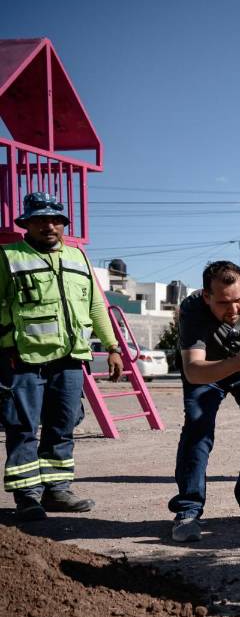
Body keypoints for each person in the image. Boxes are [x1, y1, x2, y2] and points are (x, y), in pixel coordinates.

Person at [0, 192, 122, 522]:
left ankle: (57, 490)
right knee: (23, 428)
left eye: (55, 220)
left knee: (62, 426)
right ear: (27, 224)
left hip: (70, 359)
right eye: (41, 220)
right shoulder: (8, 257)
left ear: (63, 225)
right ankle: (27, 496)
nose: (49, 226)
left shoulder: (77, 257)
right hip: (22, 360)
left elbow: (95, 305)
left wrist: (112, 347)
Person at [170, 261, 240, 541]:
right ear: (206, 296)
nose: (234, 309)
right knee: (198, 430)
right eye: (223, 303)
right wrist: (235, 362)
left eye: (239, 300)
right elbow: (193, 371)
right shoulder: (192, 309)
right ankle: (188, 510)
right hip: (209, 367)